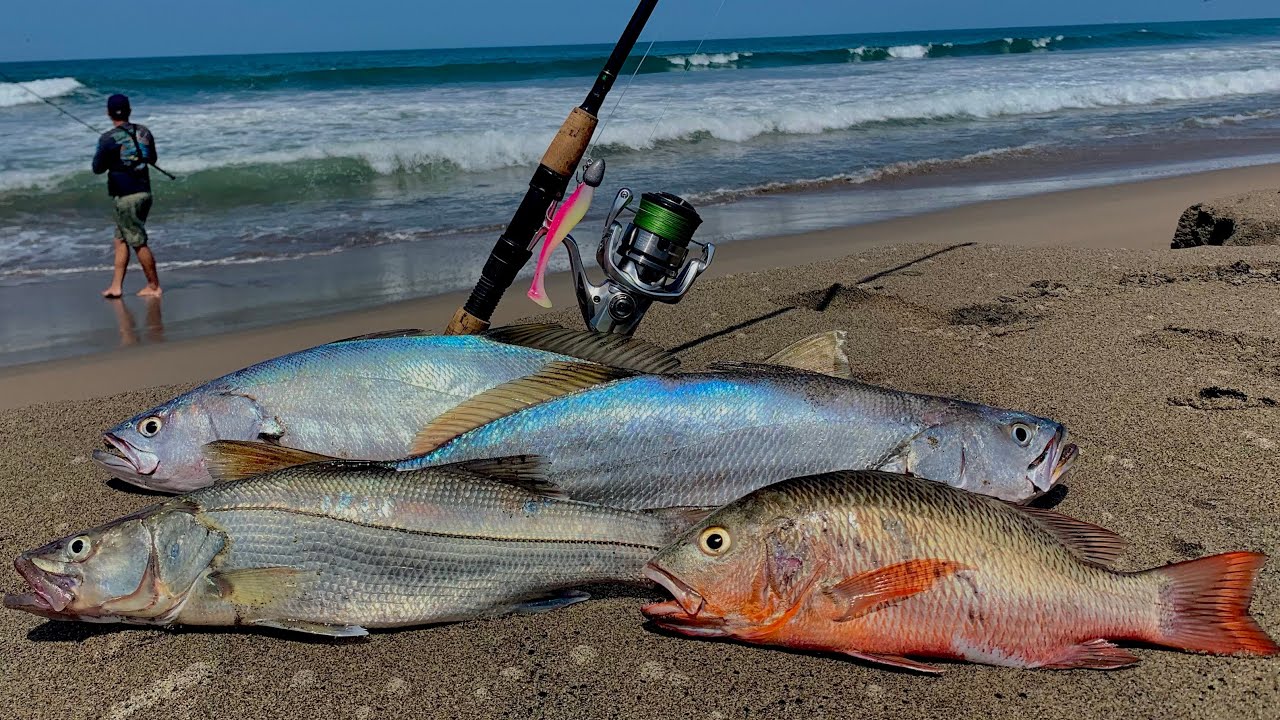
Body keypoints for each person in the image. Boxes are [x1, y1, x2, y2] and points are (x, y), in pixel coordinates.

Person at [92, 93, 161, 298]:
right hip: (144, 193)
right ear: (129, 111)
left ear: (108, 113)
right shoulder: (145, 132)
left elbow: (97, 168)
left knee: (138, 241)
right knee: (121, 239)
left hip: (126, 197)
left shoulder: (106, 139)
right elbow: (152, 158)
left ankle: (154, 285)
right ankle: (116, 286)